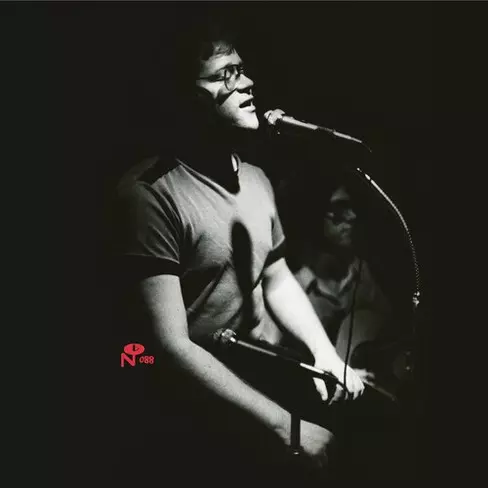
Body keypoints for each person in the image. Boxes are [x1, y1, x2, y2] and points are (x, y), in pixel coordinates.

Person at [105, 20, 365, 486]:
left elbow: (276, 276)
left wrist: (325, 353)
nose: (247, 83)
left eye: (242, 70)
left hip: (255, 386)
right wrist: (287, 427)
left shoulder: (258, 179)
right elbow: (169, 345)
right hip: (194, 417)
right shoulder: (148, 195)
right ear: (188, 96)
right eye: (225, 73)